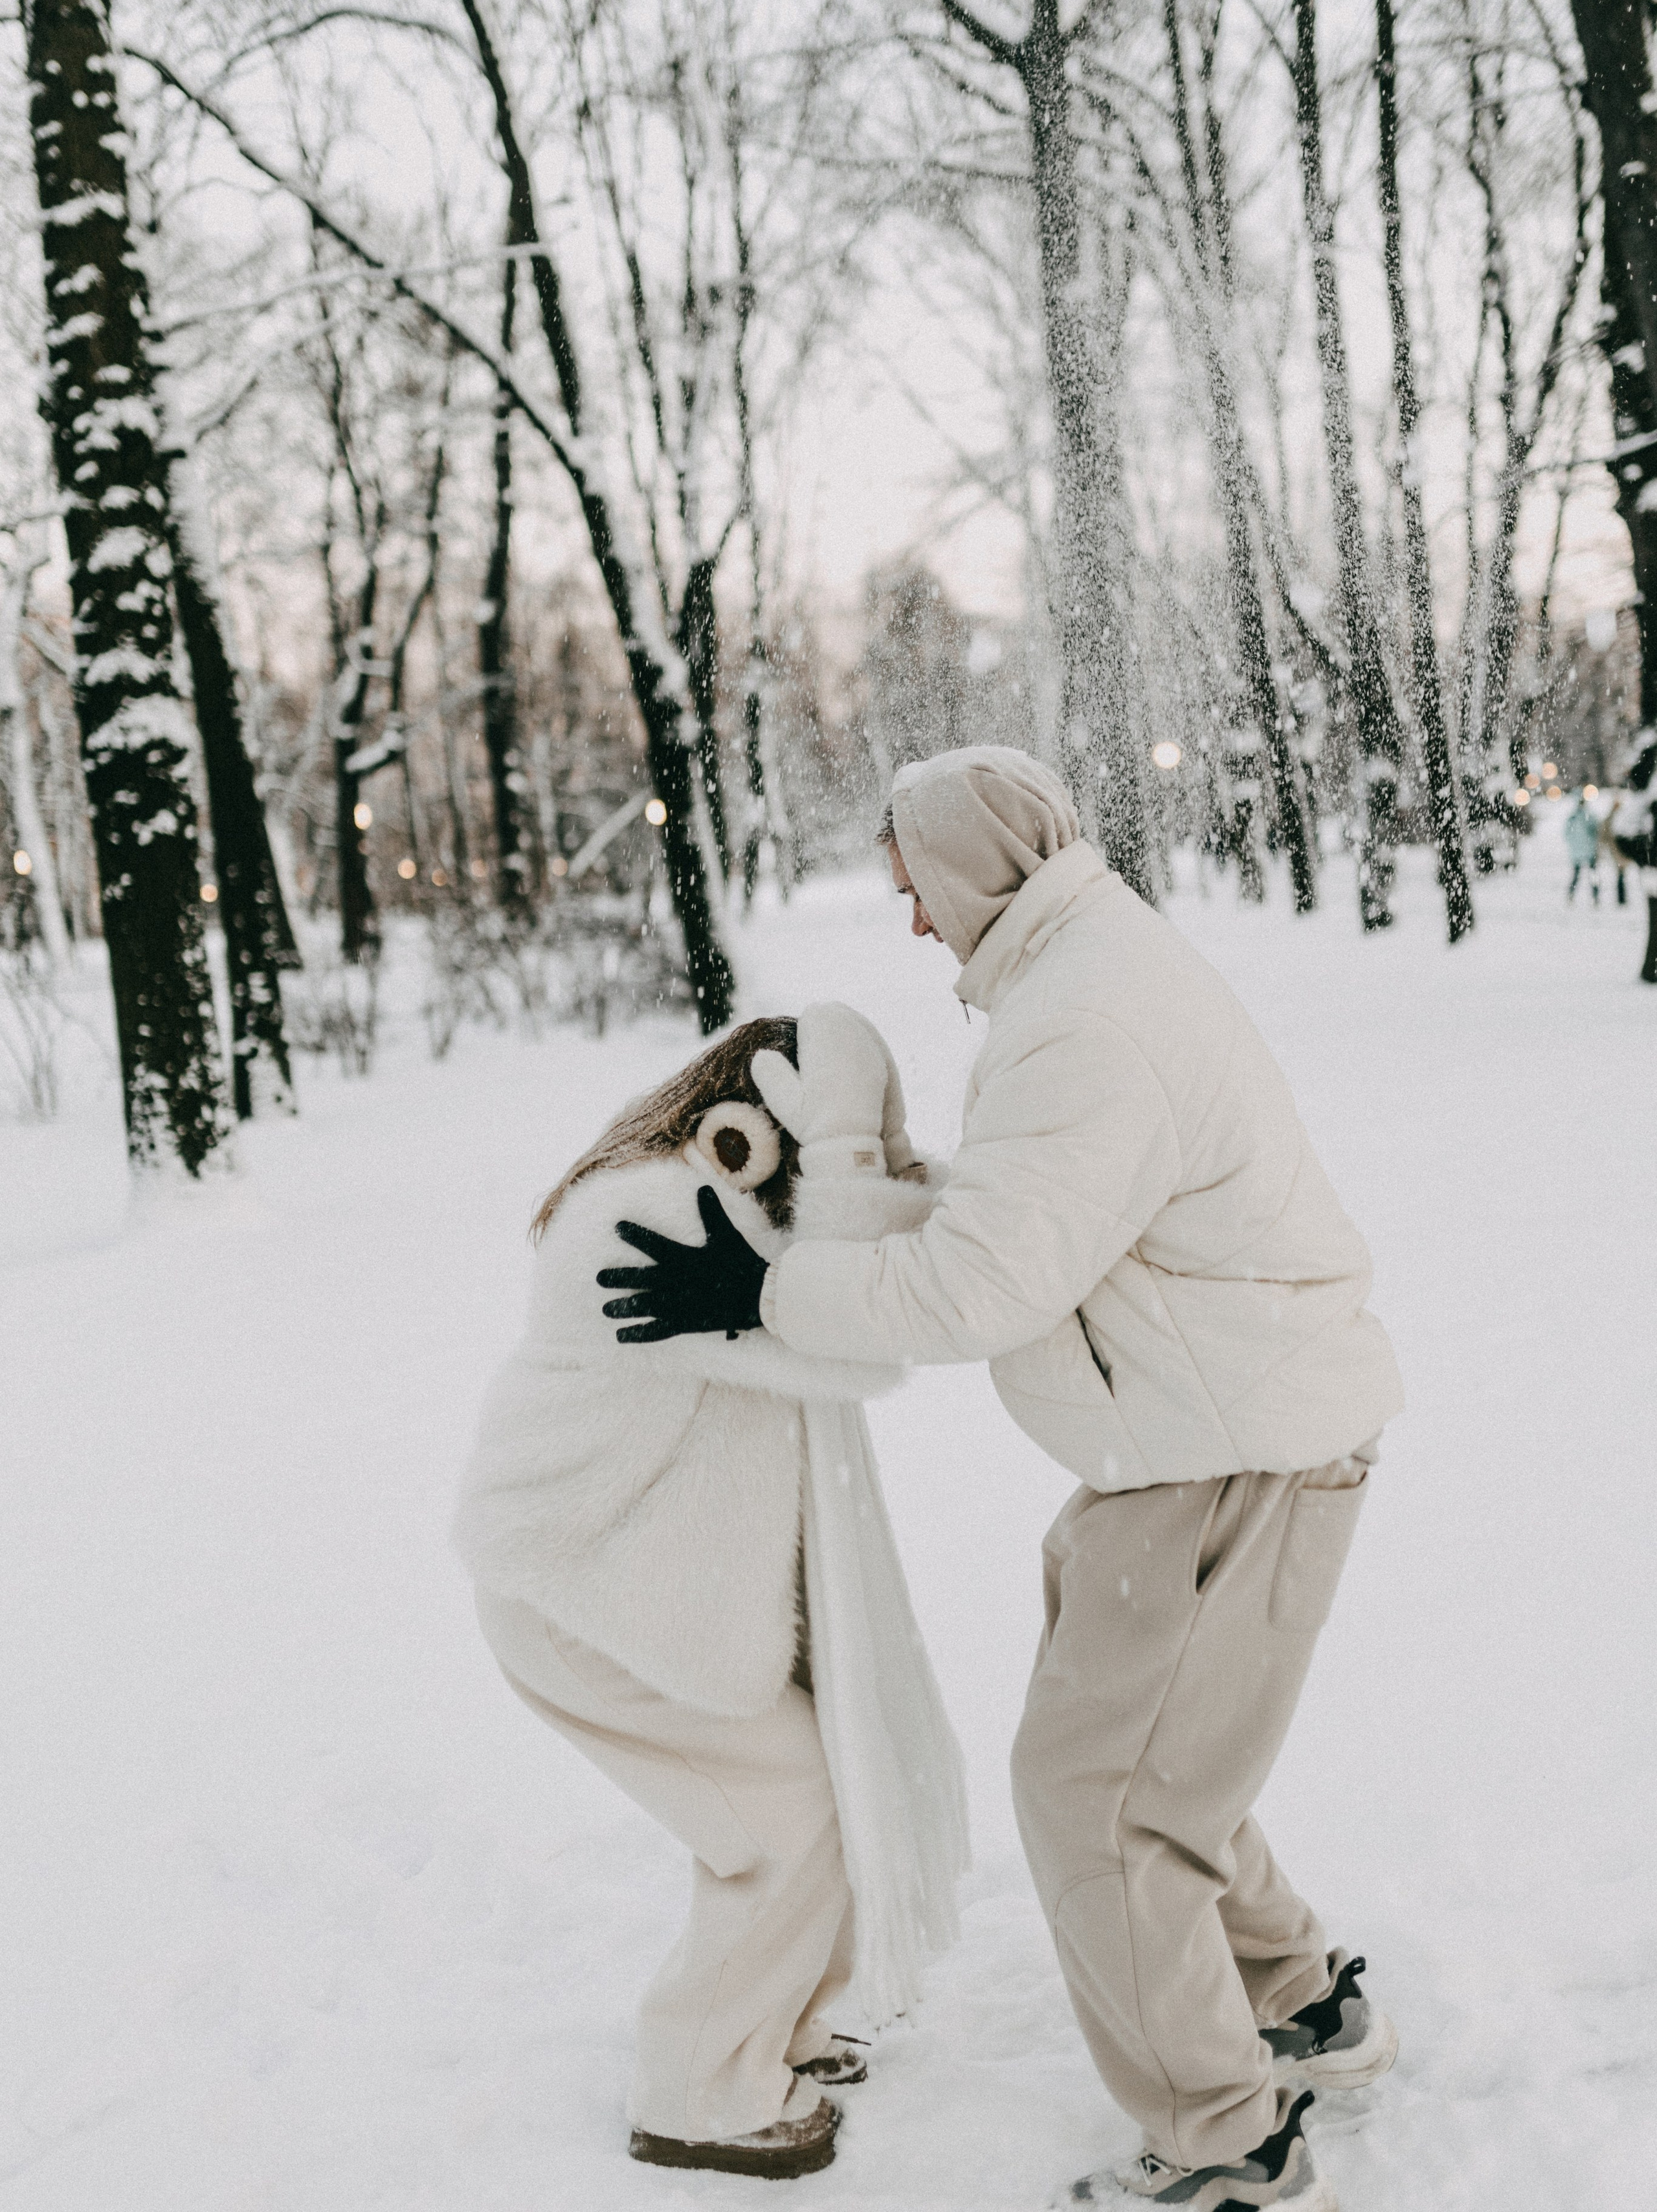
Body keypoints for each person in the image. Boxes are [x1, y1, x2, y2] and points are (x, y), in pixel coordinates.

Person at [599, 746, 1404, 2212]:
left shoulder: (1083, 1014)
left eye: (914, 887)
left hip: (1229, 1453)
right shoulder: (1081, 974)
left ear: (975, 865)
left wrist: (761, 1289)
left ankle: (1227, 2151)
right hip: (1198, 1438)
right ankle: (1296, 1999)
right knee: (1159, 1762)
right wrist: (837, 1213)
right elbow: (1018, 1211)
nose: (910, 920)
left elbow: (978, 1286)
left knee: (1103, 1794)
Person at [456, 1006, 966, 2181]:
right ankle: (701, 2087)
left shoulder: (742, 1233)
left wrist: (873, 1149)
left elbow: (903, 1271)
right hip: (580, 1597)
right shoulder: (648, 1218)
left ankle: (786, 2025)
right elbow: (861, 1345)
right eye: (825, 1135)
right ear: (753, 1118)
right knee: (788, 1825)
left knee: (815, 1793)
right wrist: (833, 1171)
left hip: (645, 1594)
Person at [1564, 790, 1601, 901]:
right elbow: (1596, 831)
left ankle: (1571, 893)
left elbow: (1566, 834)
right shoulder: (1588, 816)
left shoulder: (1572, 818)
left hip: (1577, 851)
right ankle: (1595, 895)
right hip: (1590, 850)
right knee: (1592, 874)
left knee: (1577, 874)